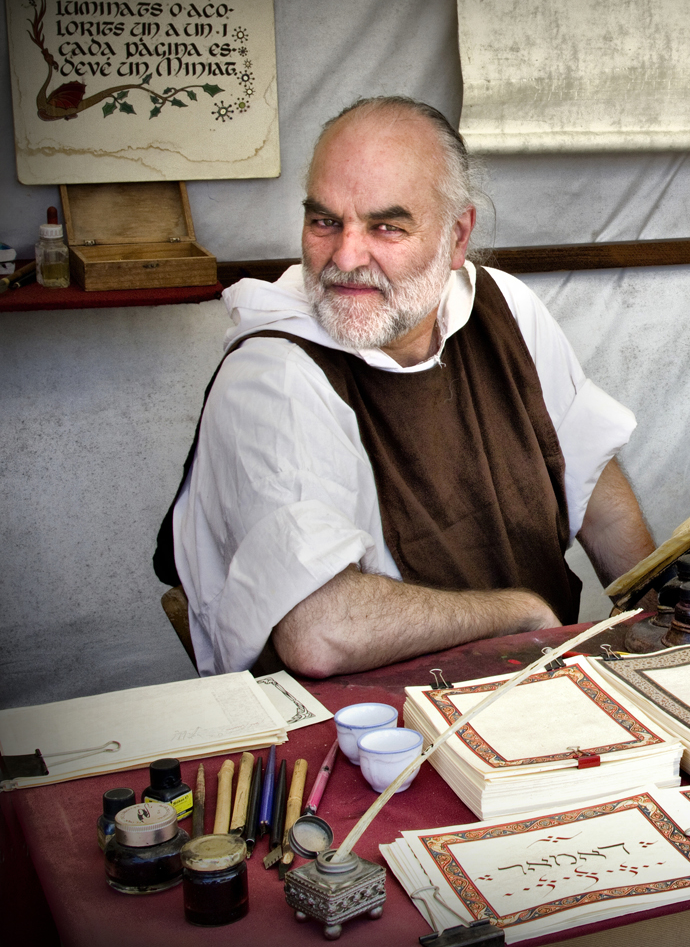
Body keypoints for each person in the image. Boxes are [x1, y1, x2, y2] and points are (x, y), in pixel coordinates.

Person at [157, 96, 655, 678]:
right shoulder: (275, 375)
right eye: (324, 221)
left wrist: (659, 610)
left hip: (523, 690)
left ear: (457, 235)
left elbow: (592, 476)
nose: (345, 257)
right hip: (364, 732)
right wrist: (517, 613)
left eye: (386, 226)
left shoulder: (502, 308)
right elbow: (322, 630)